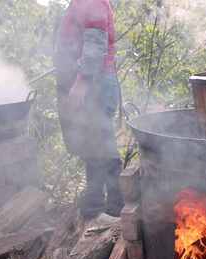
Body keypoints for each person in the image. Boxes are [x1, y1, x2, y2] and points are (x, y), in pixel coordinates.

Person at [54, 0, 123, 218]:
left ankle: (113, 206)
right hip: (94, 82)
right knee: (94, 145)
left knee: (100, 144)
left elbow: (95, 43)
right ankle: (98, 202)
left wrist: (81, 82)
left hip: (95, 84)